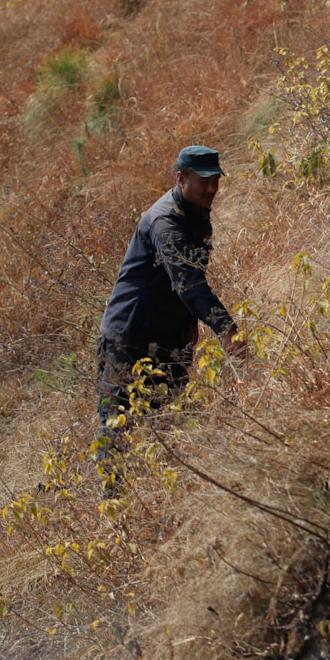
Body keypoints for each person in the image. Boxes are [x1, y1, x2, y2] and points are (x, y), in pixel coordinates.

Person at [95, 146, 243, 474]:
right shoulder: (166, 223)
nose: (212, 189)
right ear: (181, 179)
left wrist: (190, 321)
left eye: (216, 180)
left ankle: (159, 494)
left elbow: (193, 270)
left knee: (168, 420)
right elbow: (188, 283)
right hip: (129, 338)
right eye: (204, 181)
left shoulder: (197, 211)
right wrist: (225, 328)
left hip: (168, 336)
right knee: (116, 428)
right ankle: (113, 507)